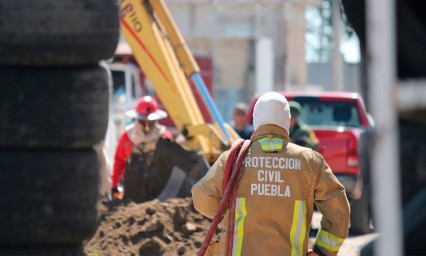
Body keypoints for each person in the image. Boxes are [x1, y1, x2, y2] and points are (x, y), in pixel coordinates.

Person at [192, 92, 350, 256]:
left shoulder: (233, 159)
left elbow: (202, 200)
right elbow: (339, 213)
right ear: (287, 121)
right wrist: (322, 251)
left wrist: (229, 211)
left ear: (255, 120)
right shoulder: (310, 161)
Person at [110, 96, 172, 199]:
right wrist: (114, 185)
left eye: (149, 121)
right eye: (143, 121)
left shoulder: (164, 136)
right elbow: (119, 161)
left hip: (158, 189)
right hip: (133, 188)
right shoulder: (127, 136)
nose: (146, 124)